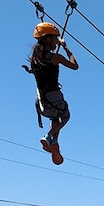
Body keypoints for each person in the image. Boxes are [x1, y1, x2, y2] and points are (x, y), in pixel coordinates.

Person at [28, 22, 79, 164]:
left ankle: (54, 142)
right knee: (65, 116)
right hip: (54, 98)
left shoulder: (34, 59)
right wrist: (66, 47)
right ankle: (48, 136)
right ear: (49, 39)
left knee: (56, 119)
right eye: (55, 38)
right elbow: (75, 65)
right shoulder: (55, 58)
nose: (57, 40)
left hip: (41, 102)